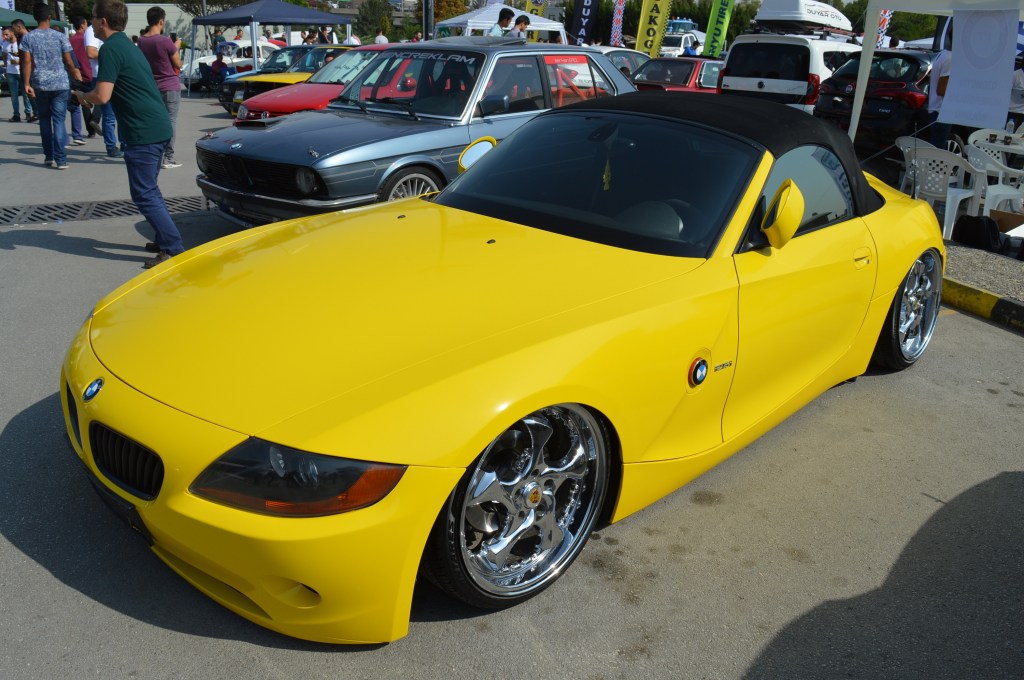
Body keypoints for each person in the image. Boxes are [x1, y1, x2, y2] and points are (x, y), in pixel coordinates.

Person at [73, 0, 185, 269]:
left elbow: (102, 95)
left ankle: (173, 247)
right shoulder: (127, 45)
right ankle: (164, 239)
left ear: (104, 21)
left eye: (93, 17)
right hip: (154, 127)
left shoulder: (111, 48)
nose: (90, 22)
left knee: (144, 193)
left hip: (142, 130)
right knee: (150, 189)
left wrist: (82, 96)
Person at [21, 3, 83, 170]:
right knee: (59, 121)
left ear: (35, 18)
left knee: (44, 120)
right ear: (49, 17)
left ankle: (49, 155)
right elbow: (69, 61)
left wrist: (26, 83)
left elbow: (26, 62)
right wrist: (76, 74)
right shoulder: (60, 36)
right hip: (60, 83)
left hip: (40, 83)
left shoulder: (28, 37)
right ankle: (61, 159)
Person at [137, 6, 182, 169]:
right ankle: (168, 157)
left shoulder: (141, 41)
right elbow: (178, 63)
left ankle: (155, 154)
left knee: (155, 122)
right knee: (171, 122)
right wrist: (176, 46)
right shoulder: (165, 41)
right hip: (170, 85)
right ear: (161, 21)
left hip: (152, 86)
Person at [86, 15, 121, 157]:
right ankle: (111, 146)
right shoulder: (91, 31)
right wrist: (111, 54)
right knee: (109, 115)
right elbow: (90, 52)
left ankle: (122, 145)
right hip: (101, 76)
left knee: (117, 114)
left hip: (112, 75)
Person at [6, 20, 36, 122]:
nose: (13, 31)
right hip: (20, 70)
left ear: (19, 27)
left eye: (14, 29)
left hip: (29, 70)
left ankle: (36, 113)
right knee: (26, 93)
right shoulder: (21, 38)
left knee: (29, 93)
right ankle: (35, 113)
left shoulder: (28, 37)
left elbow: (29, 58)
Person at [927, 31, 952, 148]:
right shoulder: (951, 58)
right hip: (941, 112)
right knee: (936, 154)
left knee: (934, 152)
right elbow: (941, 90)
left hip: (935, 110)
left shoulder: (943, 54)